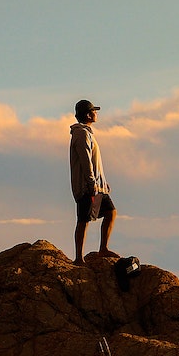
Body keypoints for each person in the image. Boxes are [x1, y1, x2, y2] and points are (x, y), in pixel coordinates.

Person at [70, 98, 116, 264]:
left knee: (111, 212)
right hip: (87, 187)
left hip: (97, 186)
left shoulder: (86, 133)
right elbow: (86, 161)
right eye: (94, 111)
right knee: (83, 219)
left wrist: (102, 183)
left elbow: (94, 163)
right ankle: (78, 258)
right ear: (89, 115)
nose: (96, 114)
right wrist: (91, 184)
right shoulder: (81, 134)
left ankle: (103, 249)